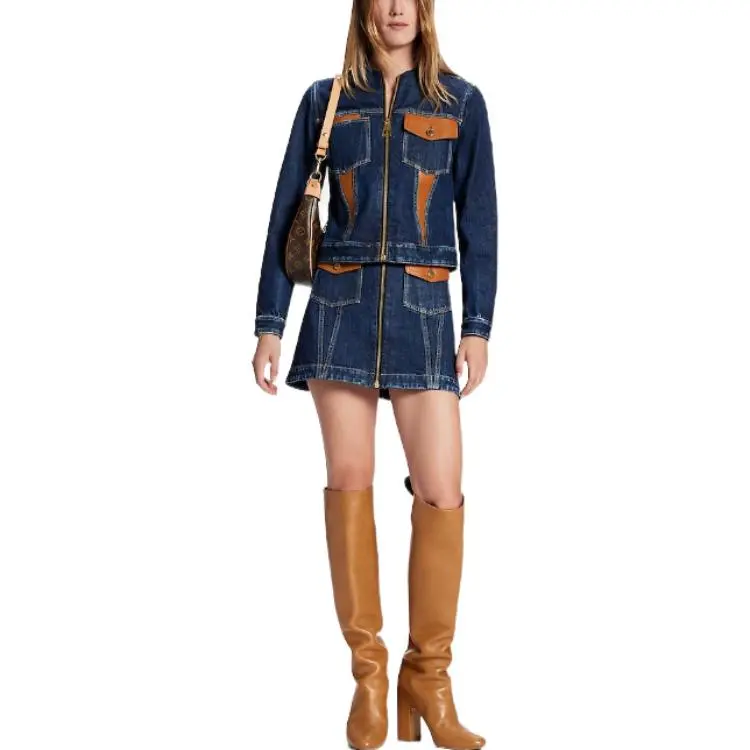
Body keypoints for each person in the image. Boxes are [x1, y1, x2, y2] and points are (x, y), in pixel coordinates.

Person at [252, 1, 497, 748]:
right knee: (350, 482)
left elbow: (480, 223)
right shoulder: (324, 100)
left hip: (424, 312)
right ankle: (368, 677)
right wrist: (269, 323)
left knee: (442, 491)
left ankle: (429, 678)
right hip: (340, 307)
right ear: (364, 9)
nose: (396, 8)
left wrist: (477, 327)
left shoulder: (461, 102)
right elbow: (287, 215)